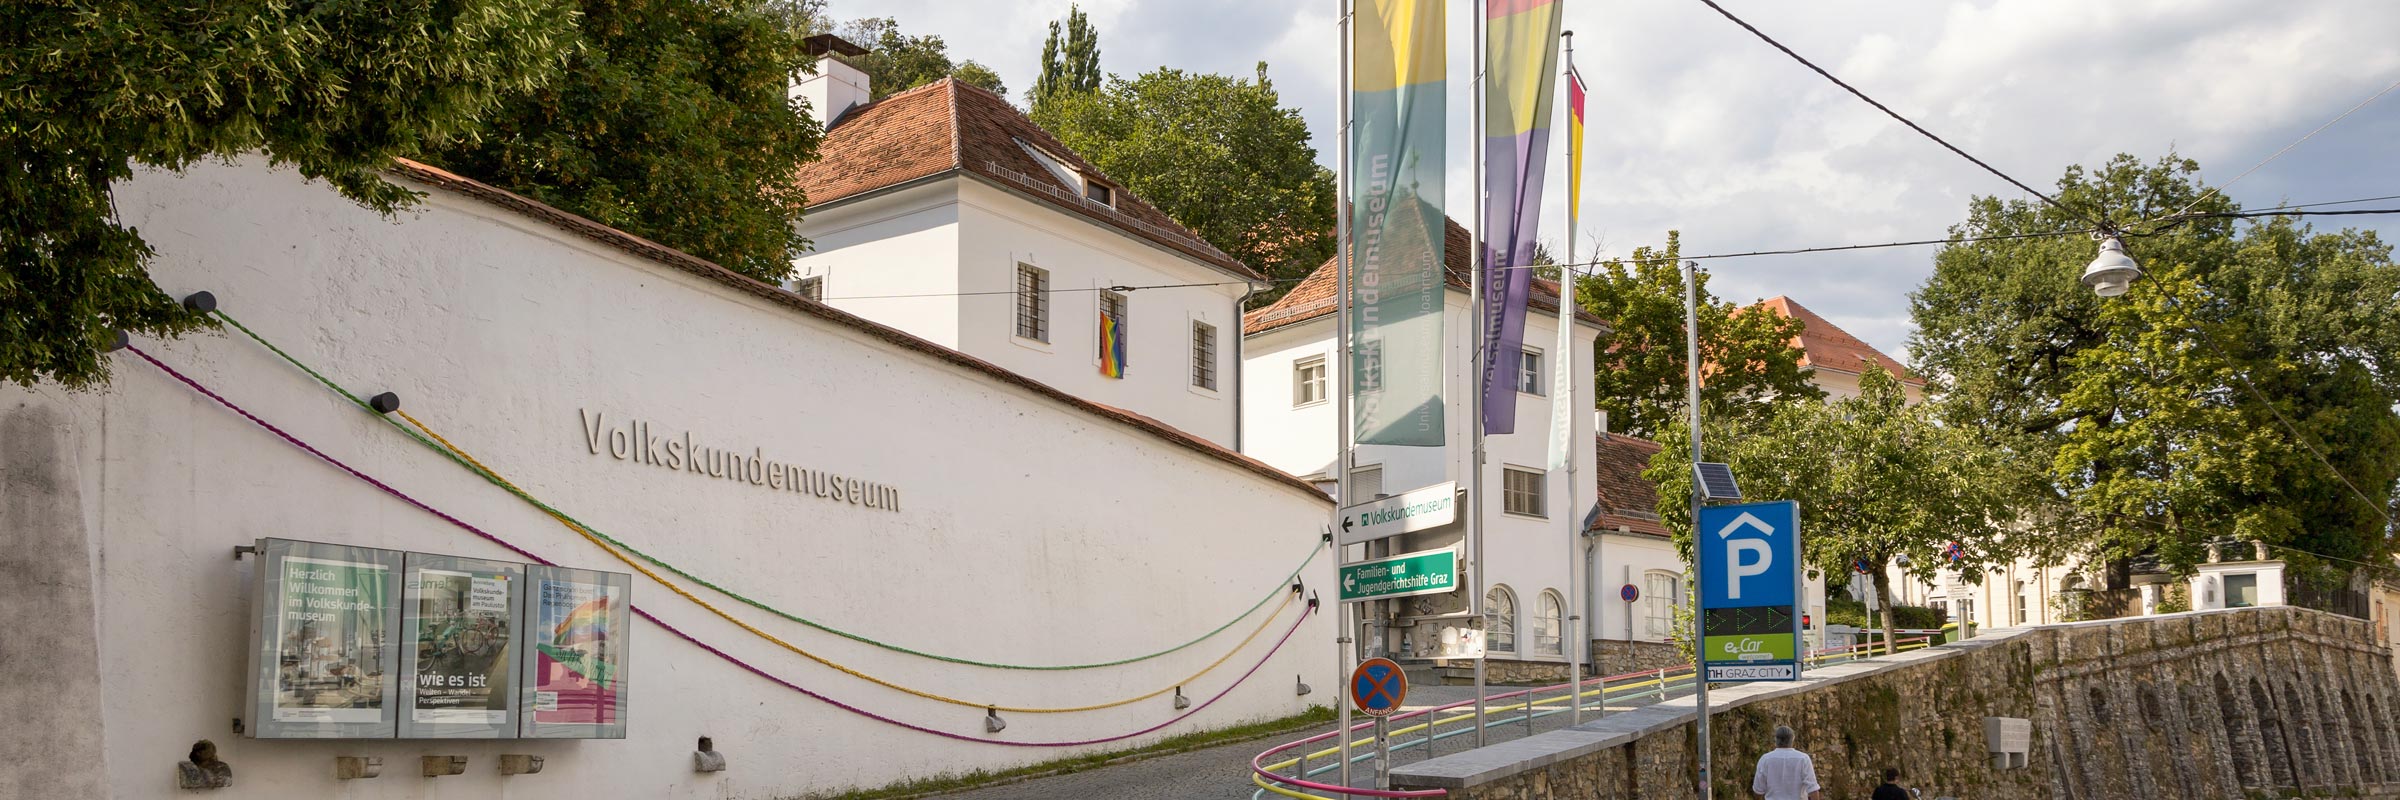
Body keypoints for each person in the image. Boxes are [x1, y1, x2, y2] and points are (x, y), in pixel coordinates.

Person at [1751, 725, 1822, 800]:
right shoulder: (1803, 759)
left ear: (1776, 739)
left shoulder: (1765, 759)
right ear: (1792, 739)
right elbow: (1813, 789)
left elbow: (1758, 790)